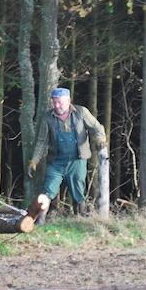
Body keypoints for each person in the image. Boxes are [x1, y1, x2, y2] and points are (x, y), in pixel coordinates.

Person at [27, 87, 108, 217]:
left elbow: (97, 128)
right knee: (48, 190)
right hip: (56, 162)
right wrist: (34, 160)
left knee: (78, 191)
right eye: (54, 102)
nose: (57, 106)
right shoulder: (48, 118)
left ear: (69, 101)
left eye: (60, 102)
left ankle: (80, 218)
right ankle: (40, 220)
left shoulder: (81, 112)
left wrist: (100, 139)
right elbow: (42, 142)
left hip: (77, 160)